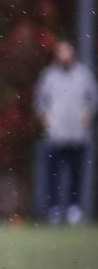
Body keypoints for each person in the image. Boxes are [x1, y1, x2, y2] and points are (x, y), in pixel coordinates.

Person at [34, 39, 97, 224]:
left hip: (77, 134)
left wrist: (86, 115)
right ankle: (53, 208)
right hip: (56, 134)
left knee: (77, 173)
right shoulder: (49, 75)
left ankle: (73, 208)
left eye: (67, 51)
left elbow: (92, 99)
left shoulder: (83, 75)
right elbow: (40, 101)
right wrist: (46, 119)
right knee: (53, 174)